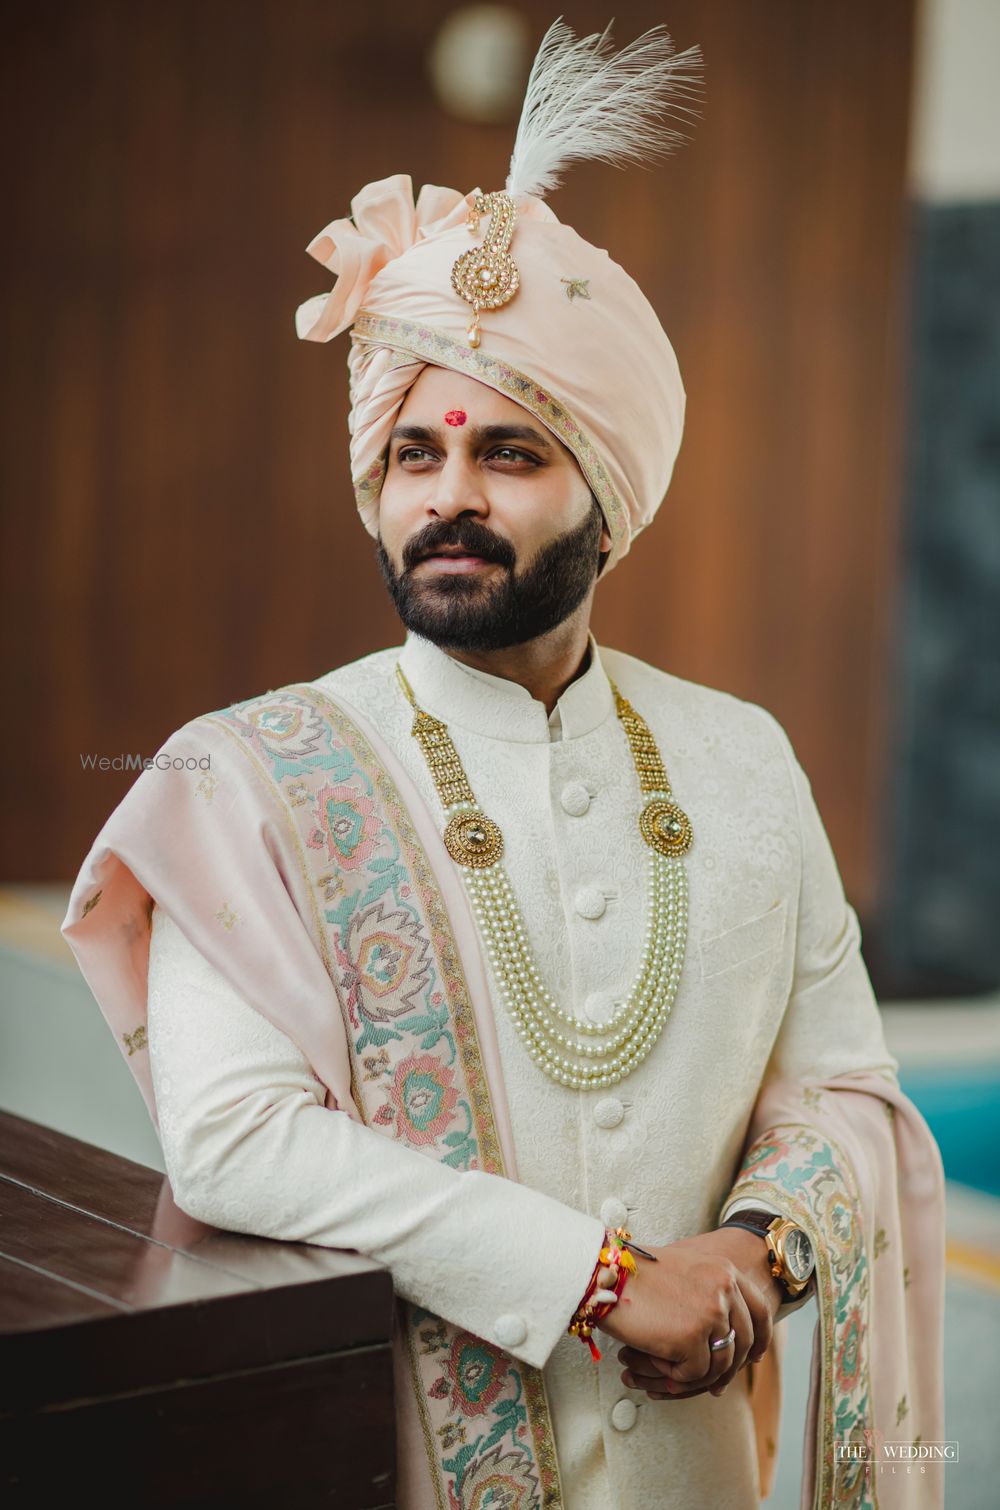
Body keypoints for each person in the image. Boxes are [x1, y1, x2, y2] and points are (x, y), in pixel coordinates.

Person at [61, 19, 945, 1509]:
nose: (450, 498)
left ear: (606, 497)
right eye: (417, 455)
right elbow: (234, 1142)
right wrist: (602, 1279)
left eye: (512, 455)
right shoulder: (249, 776)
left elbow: (845, 1091)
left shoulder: (741, 760)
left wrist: (758, 1247)